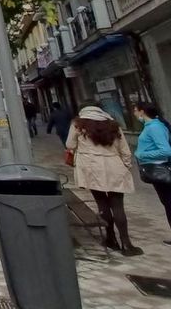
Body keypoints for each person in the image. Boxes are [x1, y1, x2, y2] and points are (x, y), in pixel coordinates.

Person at [66, 106, 142, 256]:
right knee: (118, 206)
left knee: (102, 203)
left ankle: (111, 238)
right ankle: (126, 244)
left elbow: (70, 145)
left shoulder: (78, 125)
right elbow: (124, 150)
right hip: (115, 165)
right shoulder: (113, 124)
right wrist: (126, 166)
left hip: (92, 168)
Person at [133, 102, 171, 246]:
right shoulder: (151, 126)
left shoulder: (154, 127)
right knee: (167, 202)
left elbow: (166, 151)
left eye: (136, 111)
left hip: (160, 169)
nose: (135, 114)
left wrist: (142, 154)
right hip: (157, 170)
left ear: (142, 112)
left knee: (168, 202)